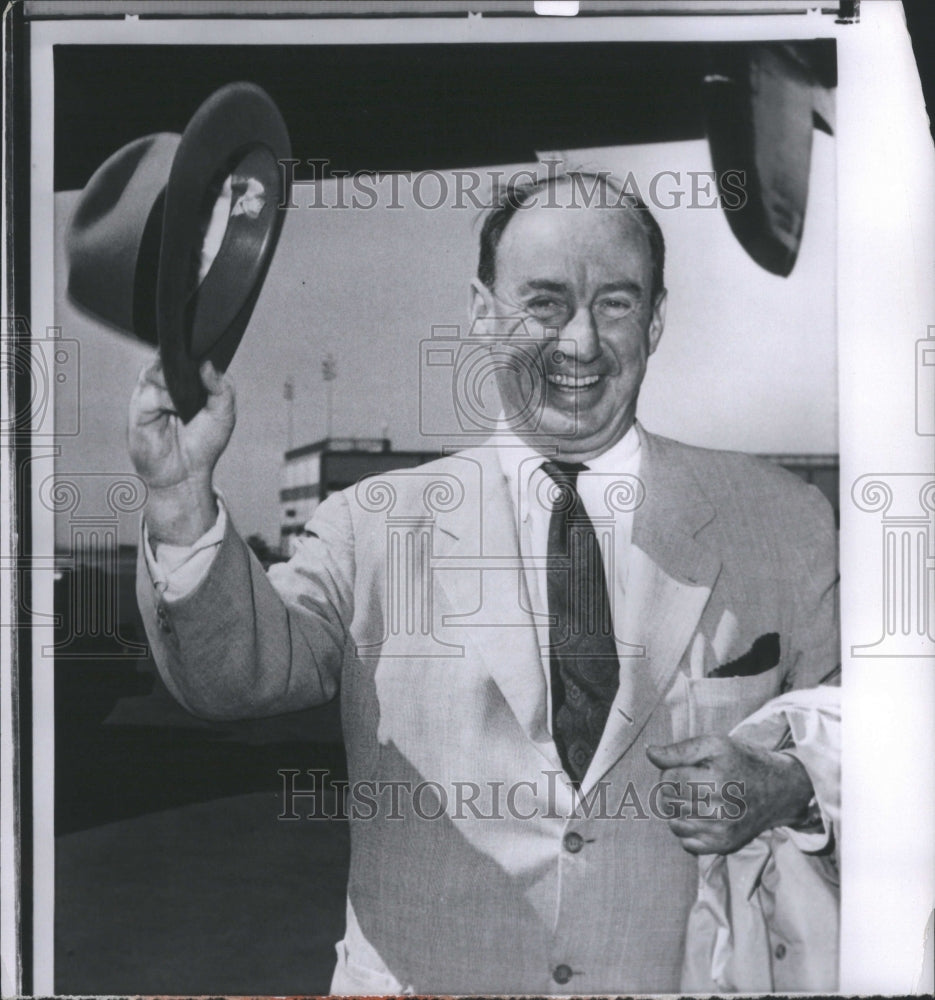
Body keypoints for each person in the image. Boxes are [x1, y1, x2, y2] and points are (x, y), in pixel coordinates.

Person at [131, 173, 839, 994]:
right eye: (544, 303)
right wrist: (181, 501)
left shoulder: (782, 521)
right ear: (480, 312)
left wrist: (792, 783)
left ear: (656, 318)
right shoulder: (373, 526)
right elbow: (233, 678)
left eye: (614, 303)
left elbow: (883, 741)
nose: (579, 342)